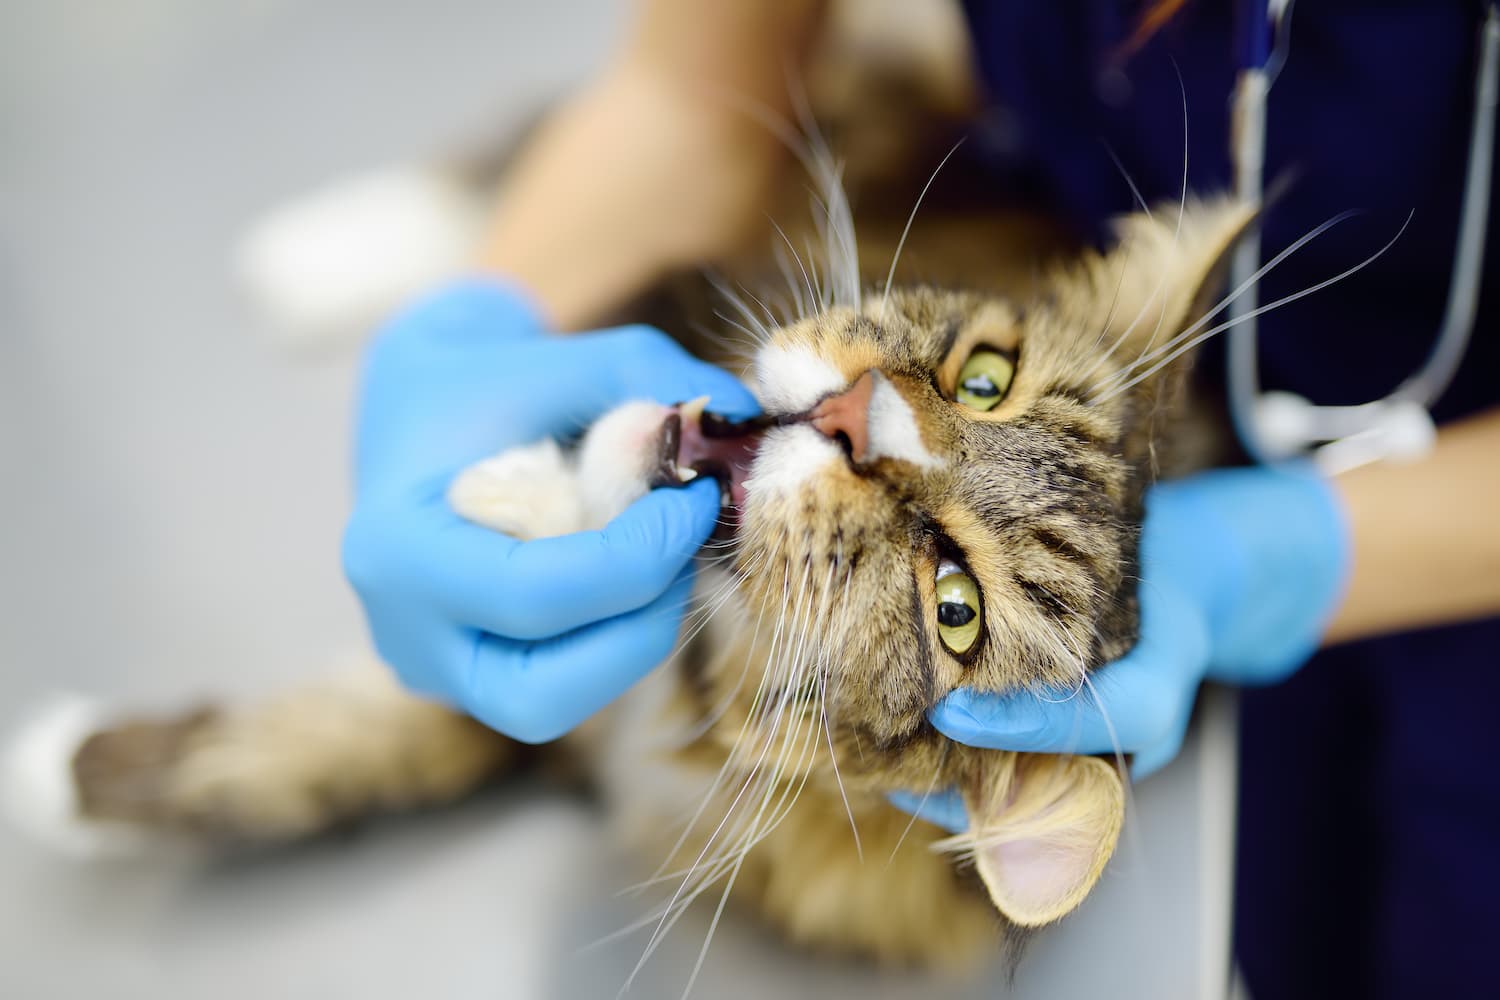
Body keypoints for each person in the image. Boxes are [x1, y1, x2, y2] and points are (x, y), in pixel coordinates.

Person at [341, 2, 1500, 997]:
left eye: (955, 599)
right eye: (980, 381)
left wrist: (1276, 557)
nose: (873, 426)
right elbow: (689, 96)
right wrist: (471, 339)